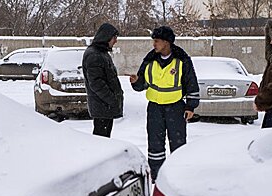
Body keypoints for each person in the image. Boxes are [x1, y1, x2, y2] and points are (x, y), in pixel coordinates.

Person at [129, 26, 199, 183]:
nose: (154, 44)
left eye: (157, 41)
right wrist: (136, 82)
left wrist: (190, 106)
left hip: (175, 107)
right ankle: (157, 175)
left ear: (166, 42)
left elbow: (191, 84)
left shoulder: (182, 60)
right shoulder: (149, 60)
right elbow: (142, 84)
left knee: (178, 142)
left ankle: (177, 174)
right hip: (154, 108)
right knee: (155, 144)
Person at [82, 23, 123, 138]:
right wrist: (112, 99)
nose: (116, 41)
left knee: (104, 139)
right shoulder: (94, 54)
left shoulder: (101, 53)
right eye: (114, 38)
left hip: (104, 107)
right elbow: (96, 83)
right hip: (102, 106)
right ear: (107, 37)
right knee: (101, 140)